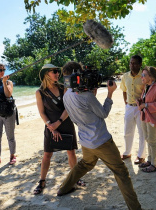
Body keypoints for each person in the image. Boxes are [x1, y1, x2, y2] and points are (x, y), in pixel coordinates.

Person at [57, 61, 142, 210]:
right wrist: (109, 94)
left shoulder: (66, 95)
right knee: (121, 172)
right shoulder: (86, 95)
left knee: (86, 164)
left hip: (85, 140)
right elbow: (103, 113)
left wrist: (92, 92)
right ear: (77, 74)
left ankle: (63, 188)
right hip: (101, 141)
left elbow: (84, 110)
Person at [33, 63, 84, 195]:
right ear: (46, 74)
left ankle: (76, 179)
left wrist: (59, 122)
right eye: (54, 71)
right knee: (47, 155)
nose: (57, 74)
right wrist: (52, 127)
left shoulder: (64, 88)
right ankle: (42, 181)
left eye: (57, 71)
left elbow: (68, 107)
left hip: (65, 123)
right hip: (50, 126)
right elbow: (42, 113)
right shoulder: (40, 92)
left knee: (71, 152)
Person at [120, 55, 146, 164]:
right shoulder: (125, 76)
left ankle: (141, 156)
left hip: (140, 108)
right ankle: (127, 152)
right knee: (127, 131)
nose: (132, 65)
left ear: (140, 64)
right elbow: (124, 90)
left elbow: (147, 91)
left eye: (135, 63)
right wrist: (126, 103)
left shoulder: (144, 76)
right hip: (129, 108)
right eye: (131, 63)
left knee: (142, 132)